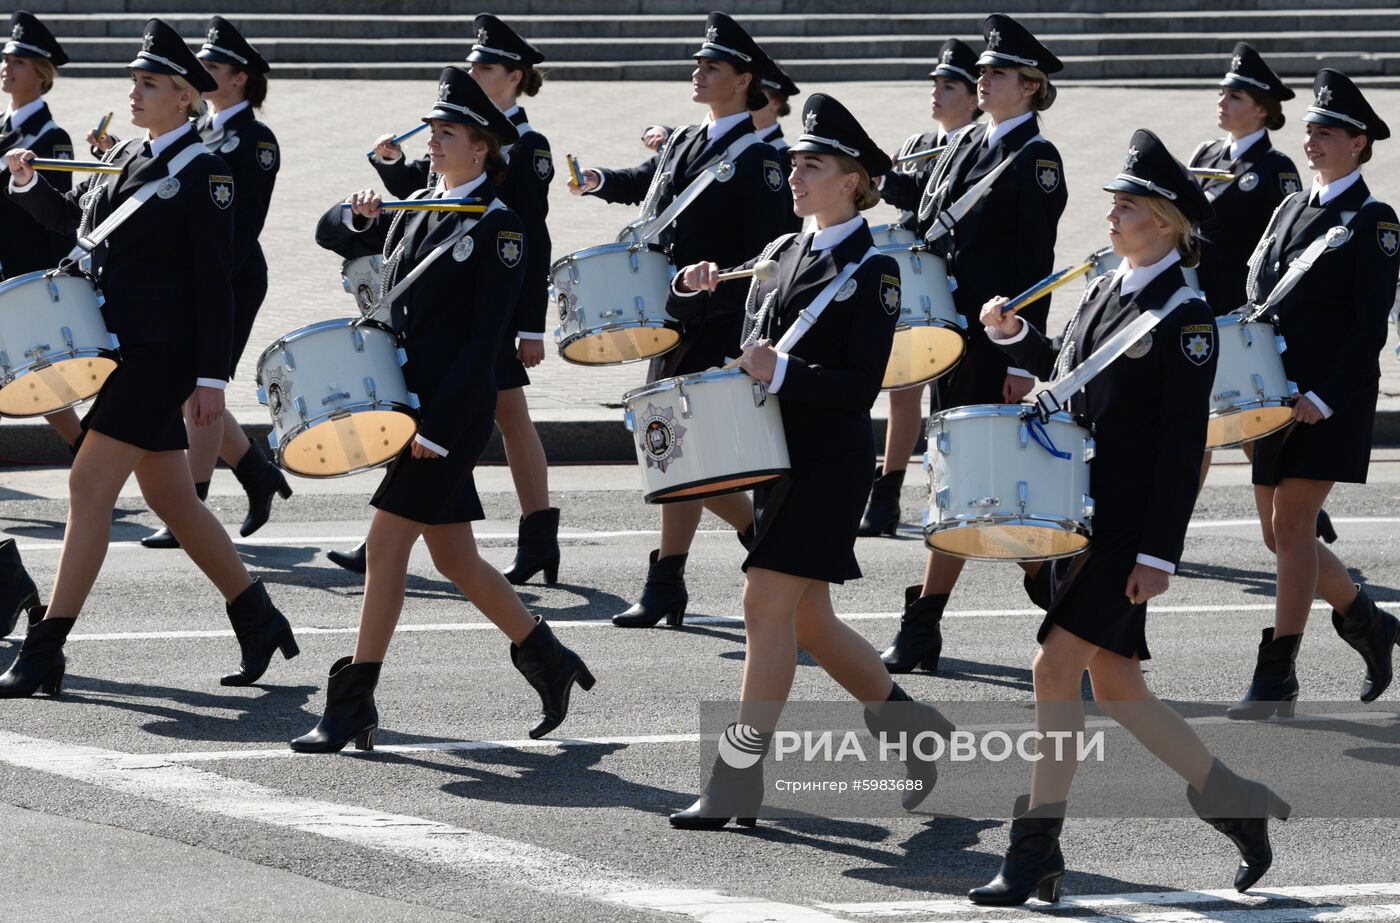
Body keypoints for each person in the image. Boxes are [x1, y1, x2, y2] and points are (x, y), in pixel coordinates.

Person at [970, 129, 1288, 906]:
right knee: (1117, 686)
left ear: (1169, 224)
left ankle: (1035, 848)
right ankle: (1234, 799)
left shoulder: (1184, 318)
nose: (1111, 215)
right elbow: (1082, 371)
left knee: (1054, 667)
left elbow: (1181, 449)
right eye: (1113, 203)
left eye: (1129, 207)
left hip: (1124, 522)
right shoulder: (1111, 284)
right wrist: (1021, 343)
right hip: (1079, 508)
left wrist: (1160, 554)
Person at [663, 93, 953, 829]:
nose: (795, 175)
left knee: (764, 605)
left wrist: (780, 373)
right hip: (775, 457)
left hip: (827, 461)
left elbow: (861, 384)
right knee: (812, 623)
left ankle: (735, 778)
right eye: (794, 163)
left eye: (812, 165)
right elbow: (723, 327)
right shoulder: (781, 252)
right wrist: (691, 291)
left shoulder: (875, 268)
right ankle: (919, 733)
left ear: (853, 179)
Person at [296, 67, 594, 752]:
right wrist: (356, 216)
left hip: (442, 417)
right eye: (432, 129)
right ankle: (548, 657)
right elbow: (326, 232)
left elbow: (481, 346)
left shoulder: (497, 227)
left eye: (447, 132)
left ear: (482, 146)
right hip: (409, 405)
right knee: (455, 555)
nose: (432, 140)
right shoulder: (426, 206)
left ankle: (351, 703)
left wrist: (434, 428)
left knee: (387, 544)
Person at [1, 18, 298, 698]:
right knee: (171, 496)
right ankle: (258, 616)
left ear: (186, 98)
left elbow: (216, 280)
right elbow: (79, 223)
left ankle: (46, 646)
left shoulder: (208, 172)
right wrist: (27, 186)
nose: (135, 93)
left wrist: (211, 378)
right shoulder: (134, 159)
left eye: (151, 84)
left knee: (86, 486)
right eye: (135, 81)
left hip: (162, 355)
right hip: (125, 348)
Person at [571, 12, 792, 629]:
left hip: (718, 320)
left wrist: (718, 286)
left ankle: (751, 533)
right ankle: (670, 580)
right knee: (669, 446)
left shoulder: (759, 160)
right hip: (675, 314)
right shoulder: (690, 139)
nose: (697, 73)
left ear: (743, 79)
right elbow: (654, 197)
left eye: (711, 66)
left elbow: (769, 257)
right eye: (698, 64)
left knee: (682, 453)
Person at [329, 14, 559, 585]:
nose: (474, 71)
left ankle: (537, 532)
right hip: (454, 292)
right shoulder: (460, 132)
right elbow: (438, 208)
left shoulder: (525, 145)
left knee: (502, 414)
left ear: (514, 76)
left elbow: (529, 232)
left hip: (491, 302)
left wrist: (532, 325)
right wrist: (389, 169)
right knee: (482, 412)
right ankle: (407, 515)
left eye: (484, 66)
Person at [877, 14, 1067, 673]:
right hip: (949, 336)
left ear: (1029, 85)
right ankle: (1066, 592)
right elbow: (929, 212)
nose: (981, 79)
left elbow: (1035, 265)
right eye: (982, 71)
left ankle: (923, 622)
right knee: (981, 485)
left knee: (962, 482)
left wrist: (1024, 358)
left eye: (996, 73)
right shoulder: (969, 142)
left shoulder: (1035, 159)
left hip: (991, 344)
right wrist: (866, 168)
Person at [1228, 70, 1400, 720]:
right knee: (1278, 537)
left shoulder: (1374, 220)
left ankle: (1277, 675)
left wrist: (1325, 394)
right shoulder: (1290, 207)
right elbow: (1259, 302)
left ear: (1359, 143)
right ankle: (1366, 619)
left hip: (1330, 398)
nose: (1313, 141)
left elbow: (1367, 323)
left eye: (1327, 132)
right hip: (1272, 397)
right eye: (1310, 131)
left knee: (1293, 525)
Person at [138, 16, 290, 550]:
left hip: (233, 277)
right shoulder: (202, 130)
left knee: (202, 388)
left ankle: (190, 506)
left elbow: (244, 227)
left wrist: (203, 290)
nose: (200, 72)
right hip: (197, 280)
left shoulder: (256, 140)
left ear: (240, 78)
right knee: (191, 391)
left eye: (211, 66)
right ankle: (256, 472)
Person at [859, 37, 982, 537]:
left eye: (949, 85)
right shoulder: (915, 146)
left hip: (960, 279)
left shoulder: (976, 147)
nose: (937, 92)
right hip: (915, 280)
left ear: (975, 97)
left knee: (953, 399)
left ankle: (962, 493)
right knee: (902, 386)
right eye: (935, 83)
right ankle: (886, 494)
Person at [0, 10, 83, 448]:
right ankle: (89, 454)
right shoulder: (2, 129)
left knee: (43, 377)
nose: (5, 66)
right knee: (39, 379)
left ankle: (90, 454)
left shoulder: (52, 138)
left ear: (40, 74)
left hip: (24, 275)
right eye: (5, 58)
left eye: (17, 61)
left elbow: (57, 218)